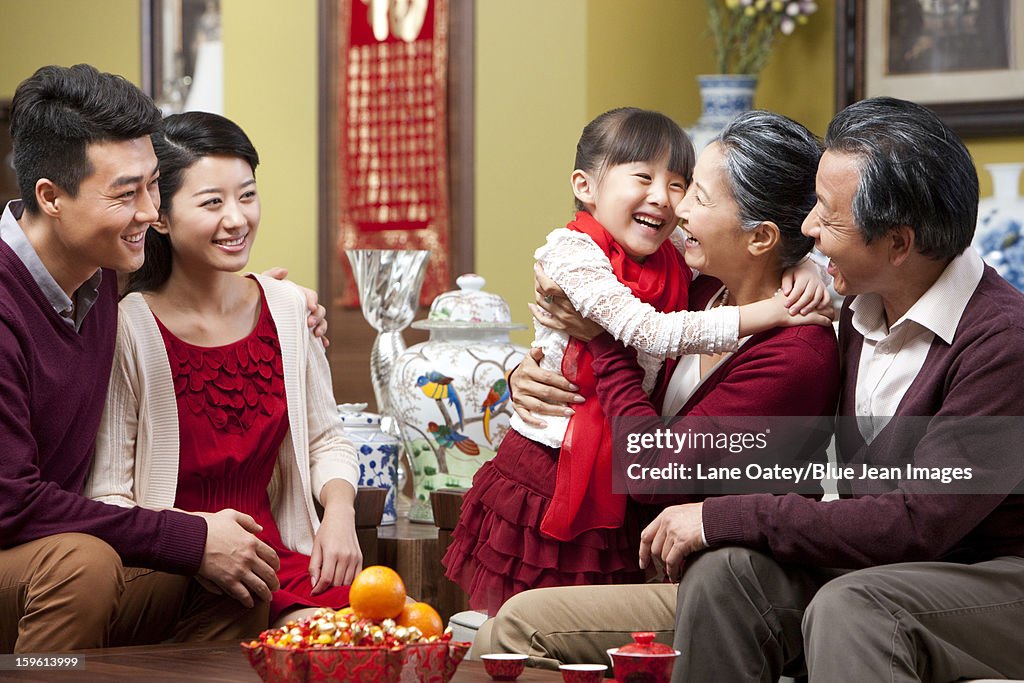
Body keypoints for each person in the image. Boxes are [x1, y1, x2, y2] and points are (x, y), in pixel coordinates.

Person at [480, 97, 1024, 683]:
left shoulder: (1001, 344)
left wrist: (722, 516)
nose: (809, 230)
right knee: (724, 576)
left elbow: (918, 522)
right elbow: (637, 299)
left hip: (982, 572)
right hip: (873, 559)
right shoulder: (857, 301)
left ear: (897, 244)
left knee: (854, 607)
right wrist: (520, 366)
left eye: (827, 216)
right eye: (812, 205)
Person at [442, 107, 833, 615]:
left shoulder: (792, 351)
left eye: (691, 191)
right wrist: (527, 369)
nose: (677, 208)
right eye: (673, 186)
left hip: (711, 581)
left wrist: (600, 342)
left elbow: (655, 466)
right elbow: (631, 323)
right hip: (570, 488)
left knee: (523, 626)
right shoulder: (703, 289)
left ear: (760, 236)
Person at [0, 64, 325, 653]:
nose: (152, 212)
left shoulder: (97, 277)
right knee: (85, 565)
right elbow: (11, 503)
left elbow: (196, 295)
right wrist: (186, 536)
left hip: (58, 556)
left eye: (154, 184)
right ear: (49, 196)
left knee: (242, 574)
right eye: (127, 193)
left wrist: (278, 300)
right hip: (35, 557)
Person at [85, 111, 362, 627]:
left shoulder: (288, 310)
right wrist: (193, 538)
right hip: (175, 572)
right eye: (212, 202)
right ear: (160, 217)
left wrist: (339, 514)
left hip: (285, 562)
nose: (237, 219)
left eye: (248, 195)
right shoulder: (127, 328)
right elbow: (109, 495)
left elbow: (328, 439)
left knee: (400, 633)